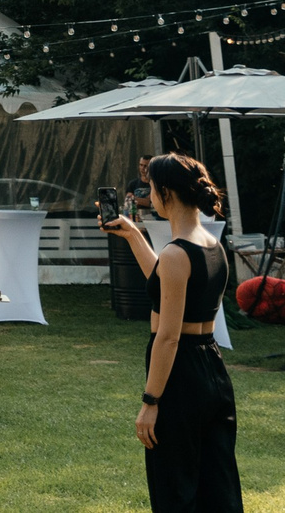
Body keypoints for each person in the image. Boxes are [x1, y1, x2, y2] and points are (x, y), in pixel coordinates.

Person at [103, 154, 246, 513]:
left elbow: (168, 336)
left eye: (150, 188)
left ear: (165, 191)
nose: (147, 194)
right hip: (212, 369)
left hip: (180, 377)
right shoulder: (212, 246)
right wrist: (134, 235)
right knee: (217, 483)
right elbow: (167, 282)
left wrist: (150, 403)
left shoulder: (175, 254)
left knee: (175, 488)